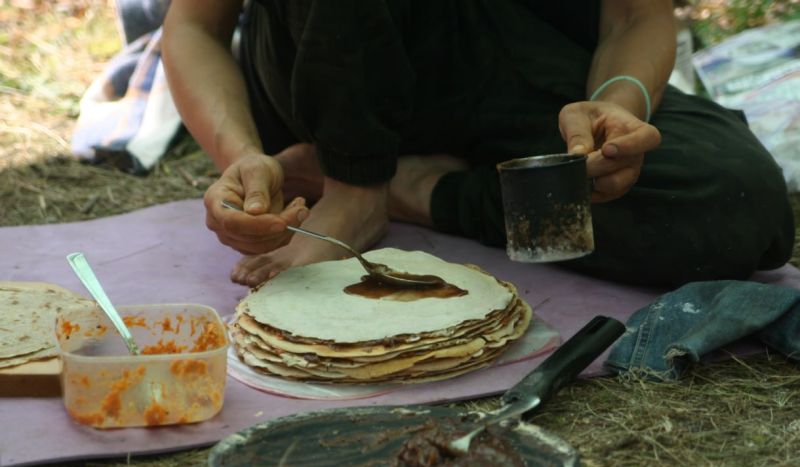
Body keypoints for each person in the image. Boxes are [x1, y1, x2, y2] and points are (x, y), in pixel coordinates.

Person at [161, 0, 795, 288]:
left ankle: (421, 190)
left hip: (516, 78)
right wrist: (242, 153)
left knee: (734, 198)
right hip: (335, 75)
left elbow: (637, 17)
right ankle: (354, 185)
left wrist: (616, 106)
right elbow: (194, 25)